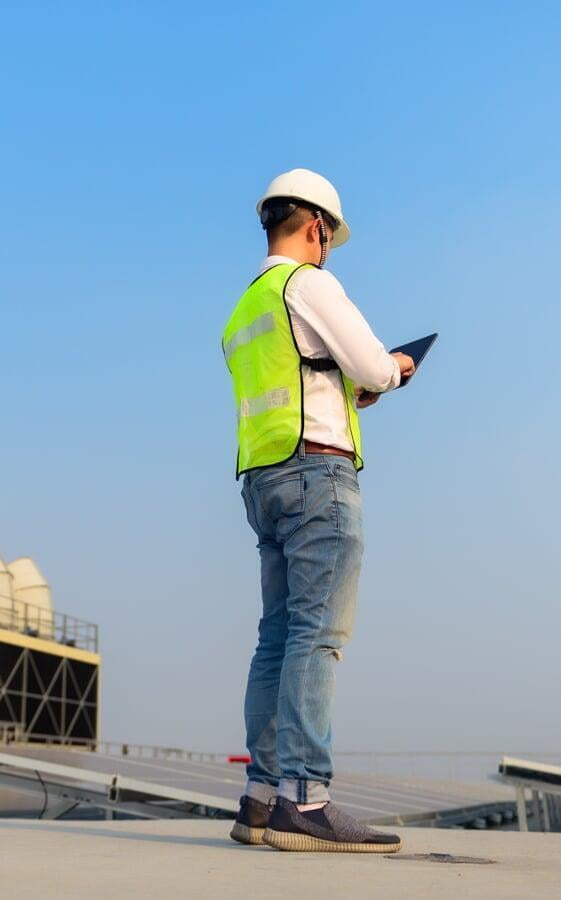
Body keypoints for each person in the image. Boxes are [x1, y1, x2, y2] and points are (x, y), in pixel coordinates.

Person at [220, 169, 415, 853]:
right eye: (330, 236)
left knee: (276, 638)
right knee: (317, 637)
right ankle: (307, 800)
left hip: (262, 481)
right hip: (317, 477)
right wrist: (393, 370)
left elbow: (297, 377)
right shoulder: (309, 283)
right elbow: (371, 364)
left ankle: (261, 800)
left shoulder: (246, 307)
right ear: (317, 227)